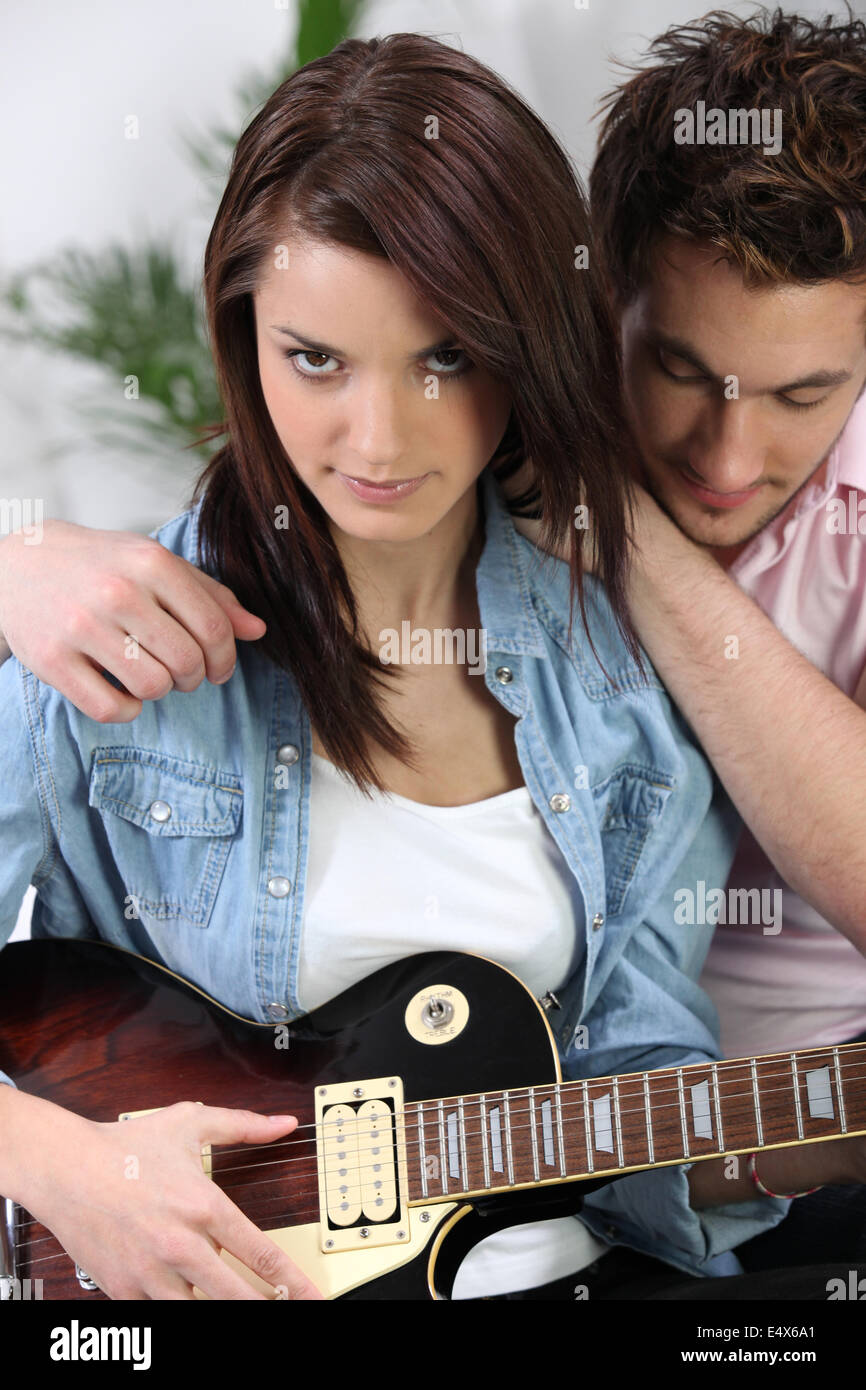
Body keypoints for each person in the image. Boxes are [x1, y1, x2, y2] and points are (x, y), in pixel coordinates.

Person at [0, 31, 863, 1302]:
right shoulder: (89, 640)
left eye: (446, 356)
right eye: (315, 359)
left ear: (523, 347)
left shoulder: (625, 677)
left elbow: (629, 1094)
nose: (380, 439)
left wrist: (820, 1129)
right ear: (240, 333)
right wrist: (55, 1161)